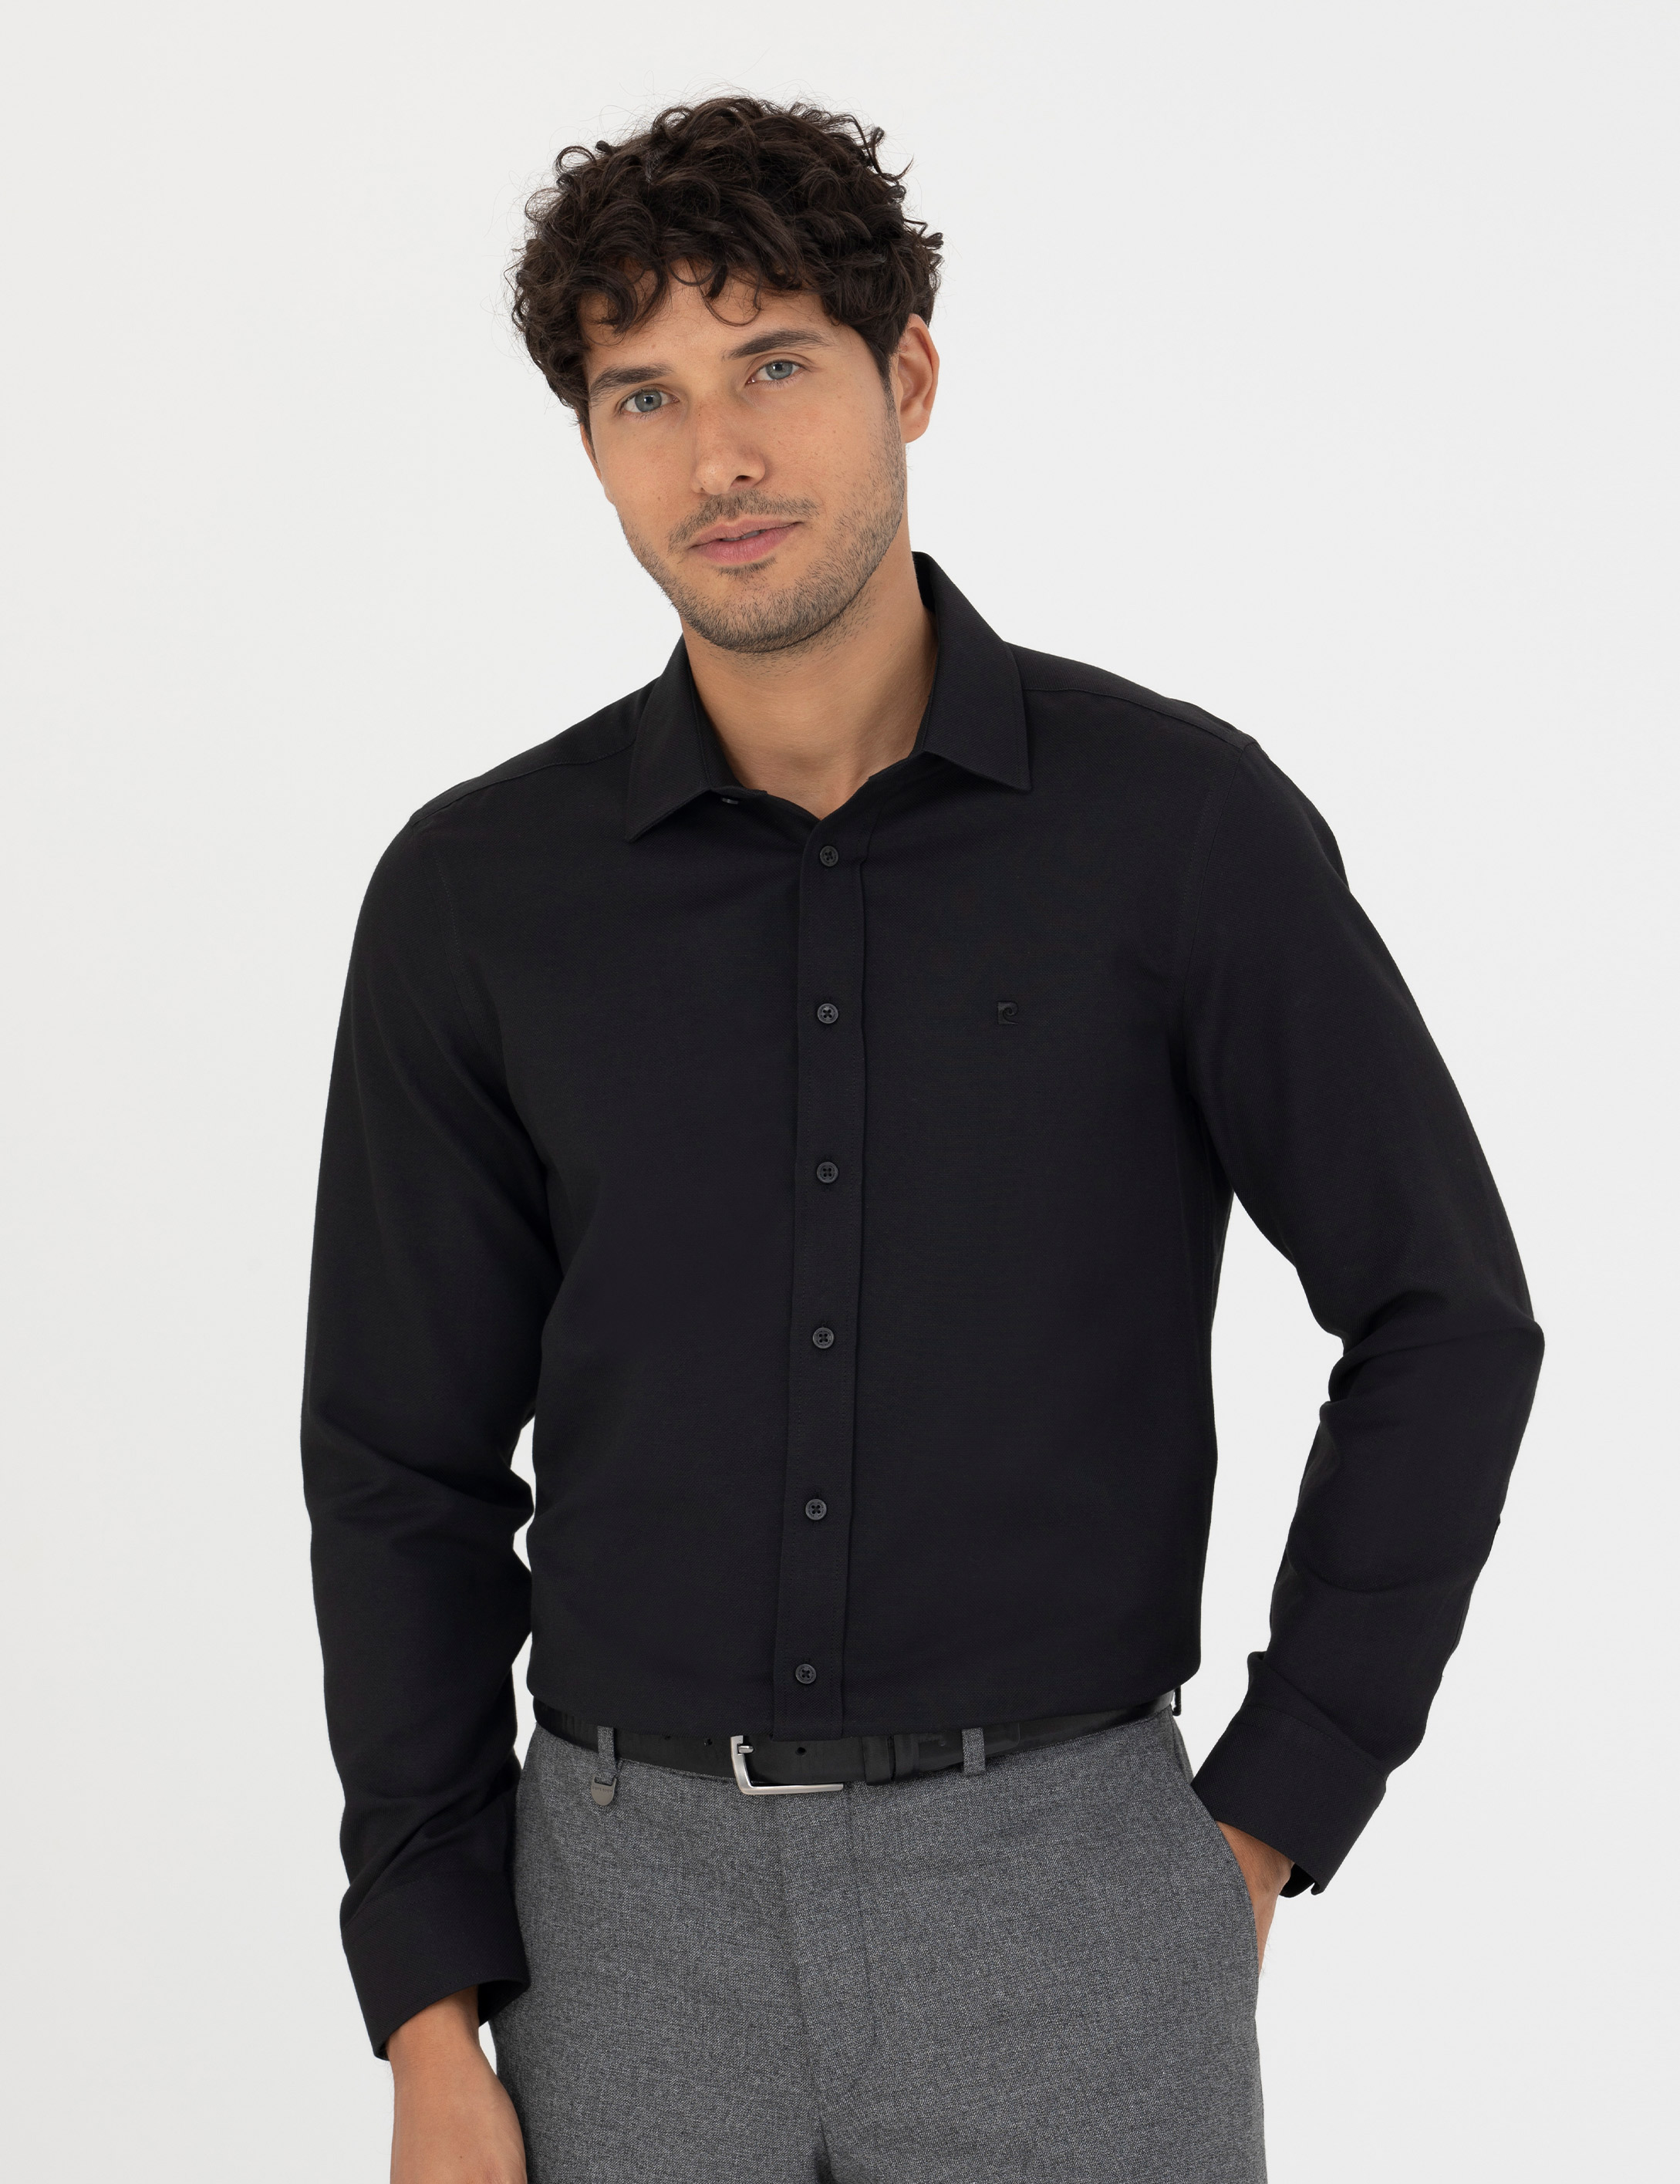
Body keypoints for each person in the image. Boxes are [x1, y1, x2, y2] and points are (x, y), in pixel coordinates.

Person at [302, 96, 1542, 2184]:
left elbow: (1443, 1315)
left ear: (910, 374)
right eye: (643, 396)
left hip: (1069, 1898)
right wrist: (429, 2013)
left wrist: (1270, 1810)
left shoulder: (1177, 831)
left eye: (774, 365)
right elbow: (398, 1470)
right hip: (616, 1932)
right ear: (590, 444)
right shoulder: (476, 895)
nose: (719, 456)